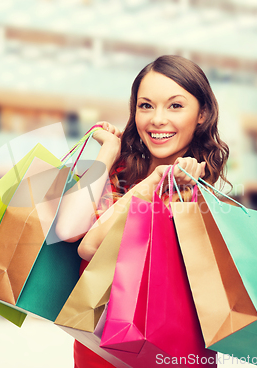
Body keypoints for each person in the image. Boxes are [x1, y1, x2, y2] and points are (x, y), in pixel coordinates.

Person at [58, 55, 229, 368]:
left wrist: (156, 182)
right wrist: (108, 154)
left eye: (175, 106)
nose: (157, 119)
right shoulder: (119, 169)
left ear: (202, 114)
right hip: (98, 346)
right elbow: (68, 231)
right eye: (146, 105)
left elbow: (91, 246)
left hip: (168, 351)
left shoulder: (200, 197)